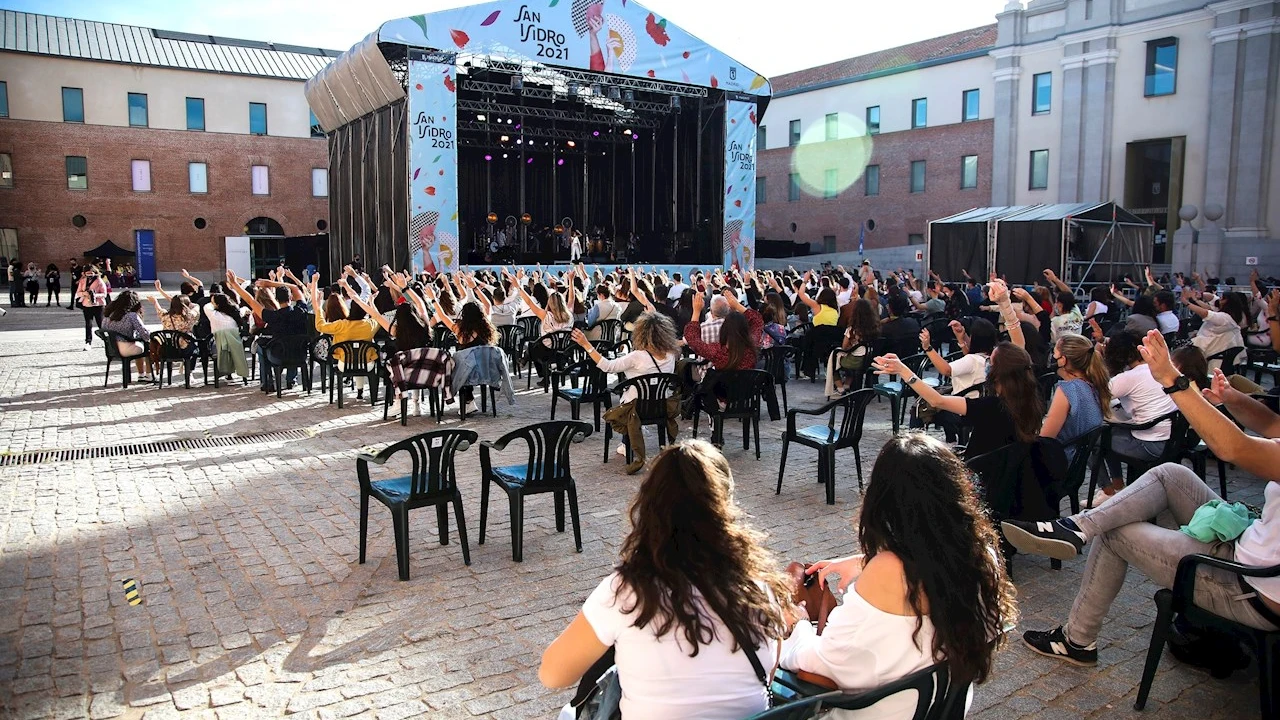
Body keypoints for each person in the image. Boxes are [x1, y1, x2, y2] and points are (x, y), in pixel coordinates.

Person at [1003, 330, 1280, 668]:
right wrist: (1235, 400)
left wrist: (1172, 380)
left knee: (1116, 531)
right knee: (1170, 474)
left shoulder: (1076, 386)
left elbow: (1233, 448)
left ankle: (1077, 639)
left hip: (1252, 585)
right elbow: (1274, 425)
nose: (1270, 317)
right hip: (1253, 546)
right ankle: (1075, 528)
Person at [539, 440, 790, 720]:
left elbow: (552, 674)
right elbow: (769, 668)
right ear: (725, 507)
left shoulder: (627, 592)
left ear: (649, 506)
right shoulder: (758, 587)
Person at [784, 434, 1017, 715]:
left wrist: (797, 627)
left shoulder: (889, 571)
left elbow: (822, 664)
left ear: (884, 501)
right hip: (942, 709)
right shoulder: (982, 555)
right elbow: (932, 560)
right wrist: (864, 561)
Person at [875, 280, 1039, 459]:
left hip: (979, 473)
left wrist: (903, 370)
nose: (987, 363)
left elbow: (937, 400)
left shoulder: (990, 407)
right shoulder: (1029, 401)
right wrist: (1005, 304)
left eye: (991, 362)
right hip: (1005, 473)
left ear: (997, 373)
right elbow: (1019, 348)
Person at [572, 312, 681, 473]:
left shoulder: (637, 357)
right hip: (661, 406)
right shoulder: (671, 355)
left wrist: (586, 345)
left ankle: (626, 442)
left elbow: (607, 366)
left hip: (635, 409)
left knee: (622, 403)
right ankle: (631, 437)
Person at [1097, 331, 1178, 497]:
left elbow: (1095, 396)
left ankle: (1109, 491)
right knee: (1108, 433)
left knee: (1092, 440)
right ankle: (1118, 486)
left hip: (1149, 444)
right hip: (1172, 439)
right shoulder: (1158, 369)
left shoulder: (1128, 377)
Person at [917, 318, 996, 443]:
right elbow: (971, 361)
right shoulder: (992, 357)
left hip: (964, 408)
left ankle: (916, 441)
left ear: (974, 338)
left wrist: (928, 348)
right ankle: (952, 440)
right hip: (981, 404)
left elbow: (946, 370)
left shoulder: (972, 360)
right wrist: (961, 337)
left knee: (920, 407)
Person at [1040, 333, 1110, 462]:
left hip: (1060, 463)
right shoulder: (1095, 385)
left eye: (1055, 354)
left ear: (1063, 360)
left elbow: (1045, 439)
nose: (1052, 359)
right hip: (1077, 463)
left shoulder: (1068, 389)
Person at [683, 290, 763, 371]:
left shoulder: (719, 353)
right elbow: (757, 320)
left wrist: (696, 311)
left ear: (724, 331)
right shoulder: (752, 347)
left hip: (724, 383)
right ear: (746, 329)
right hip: (748, 383)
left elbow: (692, 339)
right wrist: (737, 305)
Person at [1185, 288, 1246, 370]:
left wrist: (1186, 302)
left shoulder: (1225, 318)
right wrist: (1198, 296)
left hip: (1211, 351)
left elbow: (1205, 313)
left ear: (1228, 302)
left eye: (1222, 298)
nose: (1219, 300)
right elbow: (1212, 300)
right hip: (1213, 347)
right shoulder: (1229, 315)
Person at [101, 289, 153, 382]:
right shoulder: (131, 315)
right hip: (125, 348)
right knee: (148, 346)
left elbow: (103, 330)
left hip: (111, 348)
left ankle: (141, 374)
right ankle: (148, 375)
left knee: (139, 344)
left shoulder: (108, 314)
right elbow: (145, 334)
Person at [204, 291, 251, 382]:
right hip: (236, 343)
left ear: (217, 305)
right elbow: (244, 309)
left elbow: (206, 306)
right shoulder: (234, 314)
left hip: (219, 343)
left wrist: (213, 302)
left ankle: (227, 374)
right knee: (233, 350)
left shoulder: (213, 315)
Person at [77, 265, 110, 349]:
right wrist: (84, 293)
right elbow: (78, 293)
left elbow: (104, 294)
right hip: (87, 304)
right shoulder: (83, 281)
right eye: (87, 273)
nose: (89, 275)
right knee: (88, 324)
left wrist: (95, 295)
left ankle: (107, 340)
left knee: (100, 323)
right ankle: (88, 342)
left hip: (98, 305)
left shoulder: (99, 281)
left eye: (91, 273)